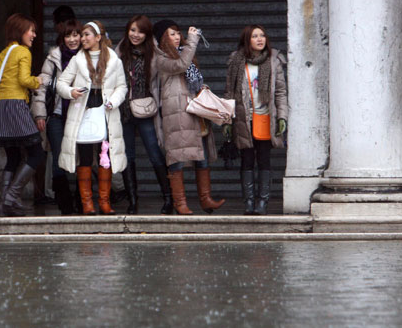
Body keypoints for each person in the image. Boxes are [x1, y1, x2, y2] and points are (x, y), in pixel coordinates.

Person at [56, 20, 128, 215]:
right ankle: (87, 203)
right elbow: (61, 83)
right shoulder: (77, 59)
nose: (82, 38)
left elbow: (122, 86)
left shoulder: (113, 59)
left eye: (87, 35)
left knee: (105, 157)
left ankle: (104, 202)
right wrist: (71, 92)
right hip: (83, 111)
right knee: (85, 157)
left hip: (106, 110)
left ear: (98, 38)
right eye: (82, 35)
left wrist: (114, 100)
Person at [153, 20, 225, 215]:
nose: (177, 37)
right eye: (171, 34)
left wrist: (202, 90)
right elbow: (181, 65)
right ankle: (180, 203)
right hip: (176, 113)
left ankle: (206, 199)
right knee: (176, 158)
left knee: (200, 156)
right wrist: (193, 41)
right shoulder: (161, 58)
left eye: (177, 33)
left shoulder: (184, 52)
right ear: (162, 38)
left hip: (194, 111)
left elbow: (191, 78)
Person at [224, 24, 288, 215]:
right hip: (244, 118)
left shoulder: (273, 61)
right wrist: (227, 120)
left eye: (262, 36)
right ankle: (249, 202)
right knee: (247, 160)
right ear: (247, 40)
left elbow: (281, 92)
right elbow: (229, 92)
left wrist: (282, 116)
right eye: (255, 36)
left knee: (264, 160)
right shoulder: (236, 61)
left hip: (265, 117)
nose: (260, 39)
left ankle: (262, 202)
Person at [0, 13, 47, 216]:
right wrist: (37, 81)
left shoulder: (2, 55)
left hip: (1, 107)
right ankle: (11, 197)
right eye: (31, 31)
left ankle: (5, 204)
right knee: (36, 152)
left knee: (13, 156)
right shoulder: (23, 52)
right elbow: (24, 80)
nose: (33, 35)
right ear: (20, 31)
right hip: (16, 105)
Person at [116, 15, 172, 215]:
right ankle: (133, 201)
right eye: (132, 30)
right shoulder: (119, 52)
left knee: (155, 153)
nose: (136, 35)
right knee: (127, 156)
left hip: (147, 110)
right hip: (123, 111)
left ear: (147, 34)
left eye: (140, 31)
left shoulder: (155, 53)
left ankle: (168, 199)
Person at [32, 19, 82, 215]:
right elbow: (41, 86)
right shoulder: (54, 57)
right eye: (68, 36)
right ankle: (65, 205)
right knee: (60, 158)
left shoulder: (87, 56)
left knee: (83, 159)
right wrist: (40, 113)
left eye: (75, 35)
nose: (72, 39)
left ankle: (82, 201)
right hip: (57, 115)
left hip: (80, 115)